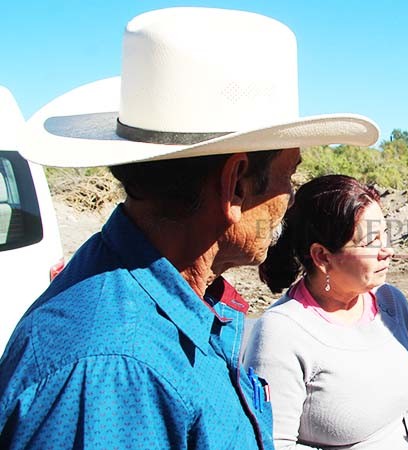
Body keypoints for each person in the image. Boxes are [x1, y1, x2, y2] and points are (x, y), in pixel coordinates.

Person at [0, 7, 378, 448]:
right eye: (287, 176)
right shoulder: (112, 375)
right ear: (235, 185)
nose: (289, 199)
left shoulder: (175, 308)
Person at [244, 174, 408, 449]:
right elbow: (272, 445)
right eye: (371, 242)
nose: (388, 250)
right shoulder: (281, 333)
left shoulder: (392, 303)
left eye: (385, 234)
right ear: (322, 256)